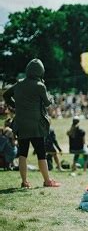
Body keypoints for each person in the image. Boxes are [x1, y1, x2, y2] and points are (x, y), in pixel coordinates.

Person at [3, 58, 60, 188]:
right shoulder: (40, 85)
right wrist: (50, 96)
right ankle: (47, 181)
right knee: (41, 152)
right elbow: (47, 103)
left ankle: (24, 182)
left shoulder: (19, 83)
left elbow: (6, 94)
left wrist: (15, 105)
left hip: (21, 123)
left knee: (23, 153)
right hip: (36, 124)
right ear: (41, 71)